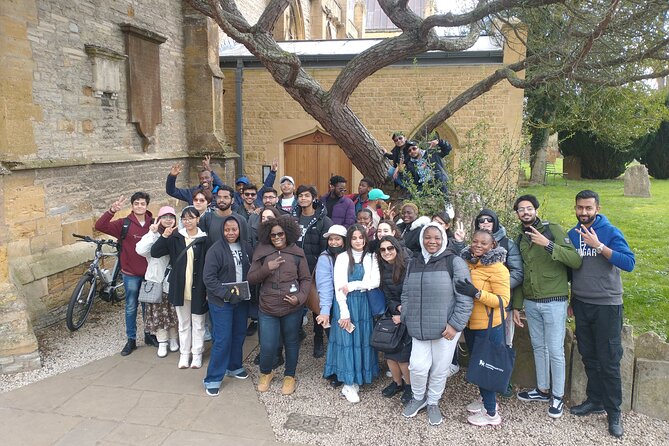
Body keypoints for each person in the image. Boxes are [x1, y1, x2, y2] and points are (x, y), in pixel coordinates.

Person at [567, 190, 635, 438]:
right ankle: (594, 400)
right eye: (579, 208)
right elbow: (572, 270)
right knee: (589, 355)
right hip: (582, 304)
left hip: (607, 304)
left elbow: (629, 263)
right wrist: (572, 300)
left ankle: (613, 412)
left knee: (608, 360)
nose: (583, 212)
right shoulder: (572, 235)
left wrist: (600, 247)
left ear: (597, 208)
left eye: (588, 208)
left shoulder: (610, 231)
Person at [512, 194, 582, 419]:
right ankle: (542, 389)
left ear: (536, 210)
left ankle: (558, 396)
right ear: (517, 214)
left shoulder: (553, 230)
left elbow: (575, 260)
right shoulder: (520, 239)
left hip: (554, 301)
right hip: (531, 303)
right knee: (538, 347)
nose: (526, 212)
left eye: (529, 208)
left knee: (555, 350)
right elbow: (522, 273)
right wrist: (517, 305)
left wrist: (548, 244)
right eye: (521, 209)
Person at [401, 223, 473, 426]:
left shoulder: (454, 262)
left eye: (437, 237)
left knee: (440, 369)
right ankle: (418, 398)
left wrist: (455, 325)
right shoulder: (413, 262)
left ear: (444, 239)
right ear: (422, 239)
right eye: (428, 237)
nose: (432, 241)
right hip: (418, 326)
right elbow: (406, 293)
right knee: (417, 367)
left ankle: (433, 401)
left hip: (445, 330)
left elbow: (465, 298)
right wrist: (407, 315)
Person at [248, 215, 311, 395]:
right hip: (267, 307)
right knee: (267, 344)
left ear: (288, 233)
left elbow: (306, 279)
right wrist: (267, 268)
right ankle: (266, 372)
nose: (277, 238)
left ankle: (289, 376)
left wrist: (299, 298)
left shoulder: (297, 252)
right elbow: (251, 278)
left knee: (291, 342)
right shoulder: (262, 251)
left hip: (292, 307)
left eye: (280, 234)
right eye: (273, 235)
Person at [458, 229, 510, 426]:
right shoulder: (469, 263)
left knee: (486, 366)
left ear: (492, 246)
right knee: (478, 363)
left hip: (488, 326)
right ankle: (486, 400)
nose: (478, 245)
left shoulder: (498, 269)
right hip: (471, 323)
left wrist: (477, 293)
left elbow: (503, 300)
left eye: (483, 243)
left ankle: (491, 413)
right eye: (475, 242)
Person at [323, 224, 380, 403]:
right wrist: (344, 313)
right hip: (346, 304)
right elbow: (339, 287)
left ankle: (360, 376)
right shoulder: (341, 258)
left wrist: (353, 285)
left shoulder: (371, 257)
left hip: (364, 304)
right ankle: (348, 383)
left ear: (365, 239)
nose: (357, 241)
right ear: (349, 240)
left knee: (362, 340)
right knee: (348, 341)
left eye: (360, 238)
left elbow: (374, 282)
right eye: (354, 238)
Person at [95, 192, 156, 356]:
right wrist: (111, 211)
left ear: (147, 205)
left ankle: (149, 335)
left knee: (147, 306)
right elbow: (100, 226)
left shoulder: (154, 223)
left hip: (149, 274)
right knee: (130, 307)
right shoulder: (124, 224)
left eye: (142, 203)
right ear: (132, 205)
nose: (139, 206)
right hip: (130, 273)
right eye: (136, 203)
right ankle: (131, 340)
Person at [151, 206, 209, 369]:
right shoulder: (176, 237)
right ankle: (185, 354)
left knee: (198, 322)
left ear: (198, 219)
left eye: (191, 218)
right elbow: (155, 252)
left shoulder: (205, 239)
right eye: (184, 218)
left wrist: (208, 289)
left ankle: (197, 354)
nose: (187, 221)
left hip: (198, 288)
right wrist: (164, 236)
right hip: (180, 288)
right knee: (183, 323)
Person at [202, 214, 254, 396]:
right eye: (226, 230)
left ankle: (234, 366)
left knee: (239, 334)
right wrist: (226, 294)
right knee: (222, 339)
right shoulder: (215, 250)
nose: (230, 233)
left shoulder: (246, 247)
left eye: (234, 229)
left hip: (241, 300)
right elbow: (208, 278)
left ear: (240, 229)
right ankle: (213, 378)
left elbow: (252, 270)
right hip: (222, 301)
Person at [292, 185, 333, 357]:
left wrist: (319, 270)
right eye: (300, 196)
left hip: (315, 270)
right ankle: (296, 334)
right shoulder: (293, 219)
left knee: (317, 306)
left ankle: (318, 339)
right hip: (295, 271)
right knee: (294, 305)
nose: (303, 199)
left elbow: (326, 249)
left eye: (306, 196)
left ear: (314, 198)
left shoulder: (323, 220)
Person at [135, 206, 180, 358]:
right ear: (159, 219)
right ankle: (162, 342)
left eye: (171, 216)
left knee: (173, 312)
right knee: (159, 314)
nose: (168, 219)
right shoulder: (153, 235)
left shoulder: (178, 234)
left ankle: (174, 339)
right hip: (156, 280)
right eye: (165, 216)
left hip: (172, 280)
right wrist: (151, 232)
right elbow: (140, 250)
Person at [376, 236, 413, 405]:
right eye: (383, 249)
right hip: (395, 313)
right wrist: (396, 308)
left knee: (403, 358)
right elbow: (388, 296)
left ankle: (408, 386)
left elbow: (414, 293)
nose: (386, 252)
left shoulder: (409, 266)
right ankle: (397, 383)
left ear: (397, 249)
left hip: (410, 315)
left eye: (390, 248)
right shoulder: (383, 269)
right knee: (390, 354)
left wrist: (403, 313)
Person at [315, 224, 347, 386]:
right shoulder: (325, 258)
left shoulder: (351, 256)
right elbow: (324, 286)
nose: (333, 242)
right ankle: (336, 372)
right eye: (331, 239)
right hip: (333, 305)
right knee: (335, 340)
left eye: (337, 239)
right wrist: (325, 310)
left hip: (351, 303)